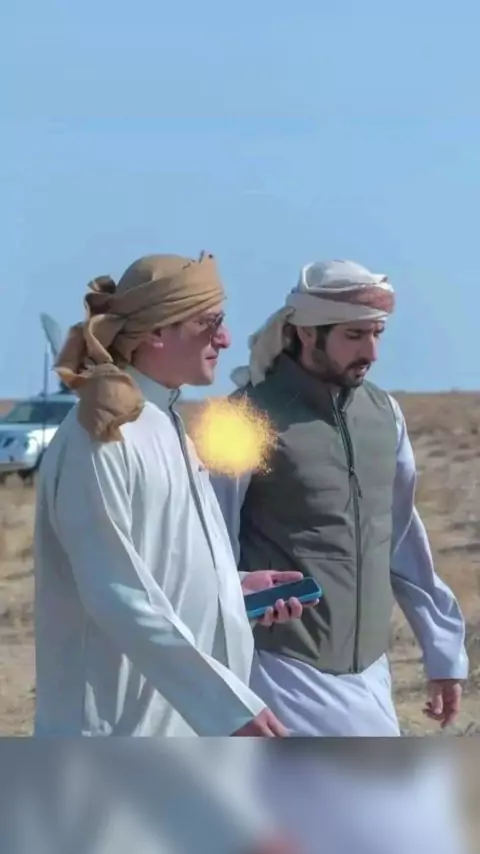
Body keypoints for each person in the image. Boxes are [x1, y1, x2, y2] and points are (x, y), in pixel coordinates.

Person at [33, 250, 310, 739]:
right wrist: (228, 709)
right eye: (208, 323)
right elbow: (118, 595)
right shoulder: (102, 437)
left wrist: (232, 589)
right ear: (156, 333)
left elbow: (158, 566)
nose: (224, 339)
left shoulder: (163, 421)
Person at [212, 259, 469, 737]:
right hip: (279, 668)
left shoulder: (385, 414)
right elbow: (207, 542)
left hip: (370, 670)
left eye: (376, 334)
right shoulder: (242, 419)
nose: (371, 351)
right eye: (354, 335)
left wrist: (442, 651)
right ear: (308, 333)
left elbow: (400, 538)